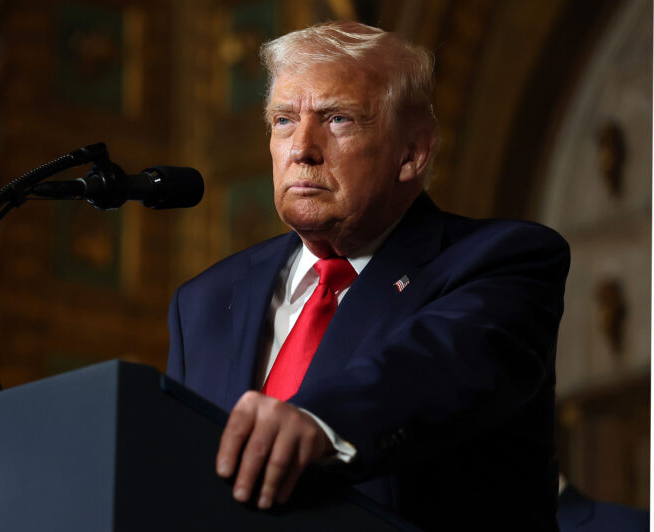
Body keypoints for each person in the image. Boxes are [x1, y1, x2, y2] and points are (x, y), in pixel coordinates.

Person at [166, 21, 569, 530]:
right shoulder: (204, 301)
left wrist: (320, 421)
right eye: (284, 120)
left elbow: (433, 366)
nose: (301, 148)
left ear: (412, 153)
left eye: (338, 119)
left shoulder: (503, 261)